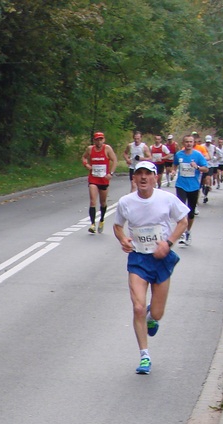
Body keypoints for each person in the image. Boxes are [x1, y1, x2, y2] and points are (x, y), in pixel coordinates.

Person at [112, 161, 191, 375]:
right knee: (138, 307)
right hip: (138, 259)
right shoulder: (126, 202)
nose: (144, 177)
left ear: (155, 177)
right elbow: (117, 226)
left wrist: (168, 243)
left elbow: (183, 221)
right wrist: (123, 239)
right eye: (139, 174)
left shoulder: (166, 199)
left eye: (148, 173)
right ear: (134, 178)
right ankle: (144, 355)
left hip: (161, 259)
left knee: (157, 313)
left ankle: (151, 317)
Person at [172, 135, 209, 246]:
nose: (188, 143)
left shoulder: (198, 155)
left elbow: (206, 168)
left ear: (193, 143)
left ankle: (188, 231)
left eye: (190, 142)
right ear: (183, 143)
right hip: (181, 185)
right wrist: (173, 171)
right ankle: (182, 233)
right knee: (181, 210)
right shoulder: (179, 154)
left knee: (191, 212)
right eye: (186, 142)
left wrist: (197, 167)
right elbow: (175, 164)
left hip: (194, 186)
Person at [81, 131, 118, 233]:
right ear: (94, 140)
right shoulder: (90, 149)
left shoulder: (107, 149)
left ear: (104, 140)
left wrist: (111, 173)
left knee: (103, 202)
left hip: (103, 179)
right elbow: (84, 157)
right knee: (93, 201)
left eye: (101, 139)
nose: (99, 141)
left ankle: (101, 219)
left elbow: (115, 160)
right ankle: (92, 224)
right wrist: (86, 165)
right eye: (97, 140)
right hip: (93, 178)